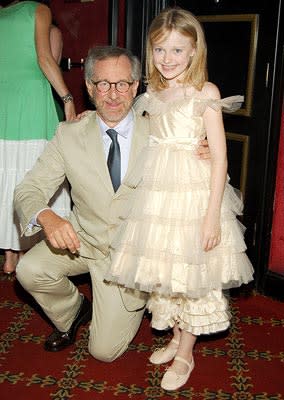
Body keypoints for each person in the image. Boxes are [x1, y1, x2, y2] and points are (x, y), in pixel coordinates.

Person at [13, 45, 210, 362]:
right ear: (90, 87)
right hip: (84, 240)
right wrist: (46, 216)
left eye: (122, 84)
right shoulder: (68, 134)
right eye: (103, 83)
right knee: (29, 269)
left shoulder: (161, 130)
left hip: (132, 255)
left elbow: (199, 176)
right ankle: (75, 311)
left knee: (103, 353)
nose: (113, 94)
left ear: (135, 86)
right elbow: (29, 188)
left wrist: (207, 155)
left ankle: (148, 292)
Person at [106, 8, 254, 391]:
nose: (168, 59)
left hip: (194, 197)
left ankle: (186, 352)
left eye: (177, 50)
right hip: (158, 199)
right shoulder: (153, 91)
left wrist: (209, 218)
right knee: (166, 274)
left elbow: (220, 156)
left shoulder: (206, 92)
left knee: (193, 276)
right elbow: (145, 135)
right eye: (160, 50)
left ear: (193, 51)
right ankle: (175, 335)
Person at [0, 0, 76, 274]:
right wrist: (67, 97)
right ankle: (33, 255)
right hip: (31, 104)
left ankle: (9, 257)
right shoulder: (38, 10)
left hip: (3, 105)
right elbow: (45, 59)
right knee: (35, 175)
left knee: (5, 179)